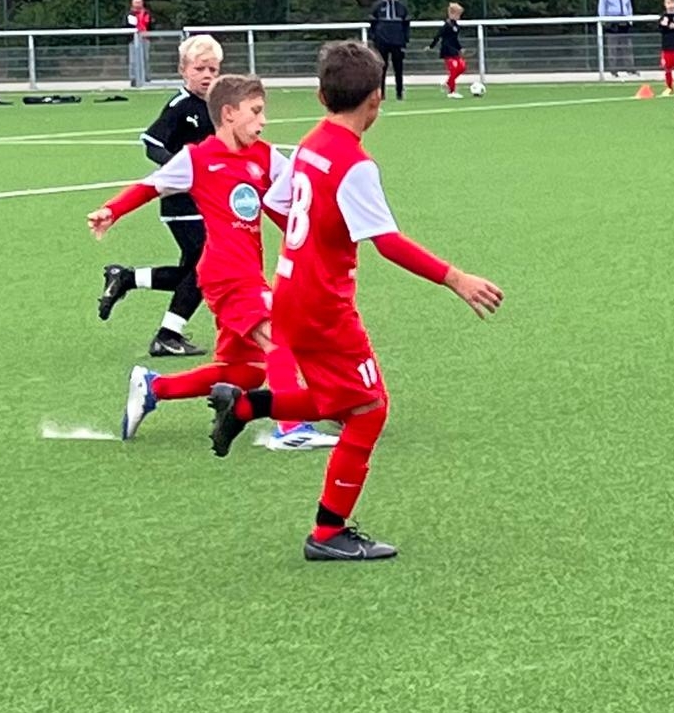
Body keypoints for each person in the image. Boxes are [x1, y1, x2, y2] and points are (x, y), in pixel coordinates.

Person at [209, 41, 504, 560]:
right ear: (376, 100)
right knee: (369, 410)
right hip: (323, 305)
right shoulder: (354, 163)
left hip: (289, 291)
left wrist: (307, 244)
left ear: (321, 97)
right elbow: (387, 242)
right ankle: (328, 533)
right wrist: (456, 278)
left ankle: (250, 404)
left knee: (340, 398)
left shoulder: (309, 144)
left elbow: (278, 202)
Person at [87, 72, 336, 452]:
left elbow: (295, 198)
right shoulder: (197, 158)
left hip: (249, 273)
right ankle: (290, 427)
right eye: (256, 111)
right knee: (279, 337)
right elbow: (151, 185)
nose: (263, 120)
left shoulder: (266, 156)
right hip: (224, 275)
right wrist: (112, 210)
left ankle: (154, 387)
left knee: (247, 373)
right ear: (229, 113)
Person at [98, 34, 219, 357]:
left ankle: (126, 278)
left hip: (207, 201)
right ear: (183, 70)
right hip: (181, 202)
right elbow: (152, 144)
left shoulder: (214, 107)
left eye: (213, 69)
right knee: (205, 268)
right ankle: (168, 335)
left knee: (193, 272)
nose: (207, 76)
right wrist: (180, 168)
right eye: (199, 69)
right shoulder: (180, 106)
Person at [369, 0, 410, 100]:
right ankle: (381, 93)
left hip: (397, 41)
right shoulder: (377, 6)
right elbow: (372, 22)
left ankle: (399, 92)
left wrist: (405, 39)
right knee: (381, 67)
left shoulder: (401, 7)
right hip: (382, 41)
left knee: (398, 67)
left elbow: (406, 24)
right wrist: (374, 37)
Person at [598, 0, 637, 77]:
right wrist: (603, 21)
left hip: (624, 22)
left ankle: (630, 69)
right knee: (612, 48)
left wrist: (630, 20)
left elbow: (629, 7)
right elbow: (602, 8)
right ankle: (613, 71)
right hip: (612, 23)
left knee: (627, 47)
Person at [429, 2, 467, 99]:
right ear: (451, 14)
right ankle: (452, 91)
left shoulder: (456, 26)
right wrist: (431, 46)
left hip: (454, 50)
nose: (459, 16)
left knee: (462, 67)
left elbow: (455, 39)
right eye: (457, 14)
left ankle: (448, 82)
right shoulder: (446, 25)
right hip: (447, 50)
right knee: (453, 69)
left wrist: (460, 48)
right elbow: (438, 36)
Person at [125, 0, 153, 85]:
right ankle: (133, 78)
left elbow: (150, 24)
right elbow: (128, 25)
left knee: (145, 58)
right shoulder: (129, 14)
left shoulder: (147, 13)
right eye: (136, 2)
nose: (138, 4)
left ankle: (146, 77)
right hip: (133, 39)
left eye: (139, 2)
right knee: (133, 60)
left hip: (145, 38)